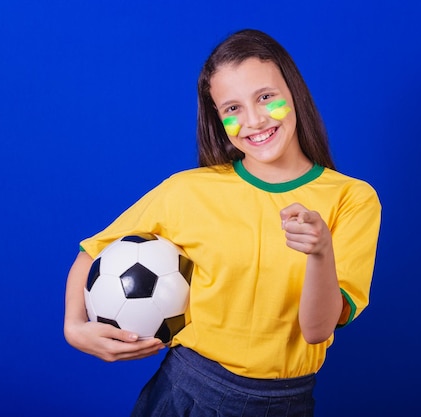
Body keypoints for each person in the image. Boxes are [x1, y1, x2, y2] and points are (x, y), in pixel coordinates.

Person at [64, 28, 381, 416]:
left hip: (284, 403)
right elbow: (90, 253)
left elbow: (317, 331)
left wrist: (320, 252)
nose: (254, 120)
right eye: (232, 108)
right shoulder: (187, 191)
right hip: (186, 393)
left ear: (294, 92)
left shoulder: (351, 199)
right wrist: (74, 327)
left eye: (266, 97)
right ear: (218, 118)